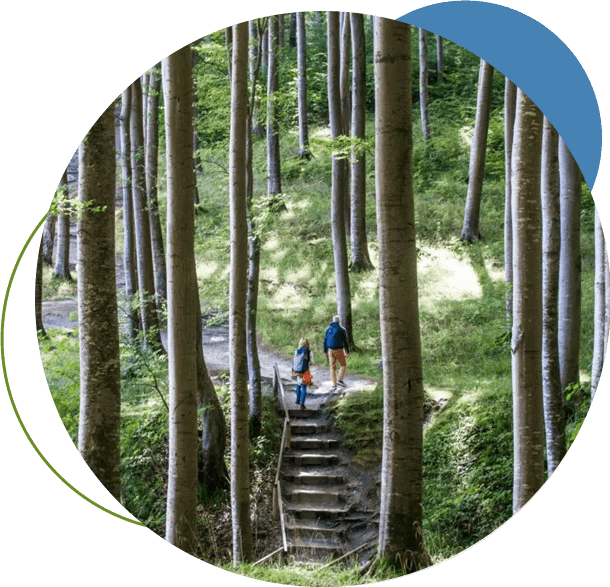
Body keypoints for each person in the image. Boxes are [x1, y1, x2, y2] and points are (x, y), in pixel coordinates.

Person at [323, 315, 350, 391]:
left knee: (332, 367)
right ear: (339, 321)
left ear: (332, 321)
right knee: (343, 365)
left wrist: (325, 351)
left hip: (330, 350)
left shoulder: (328, 329)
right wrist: (347, 351)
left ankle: (334, 385)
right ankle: (340, 380)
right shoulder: (342, 329)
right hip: (339, 350)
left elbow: (325, 341)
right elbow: (345, 341)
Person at [292, 338, 313, 409]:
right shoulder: (309, 352)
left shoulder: (297, 350)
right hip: (305, 371)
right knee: (304, 387)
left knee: (298, 385)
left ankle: (297, 400)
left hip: (297, 371)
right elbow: (311, 363)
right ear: (307, 344)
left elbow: (294, 360)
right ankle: (302, 403)